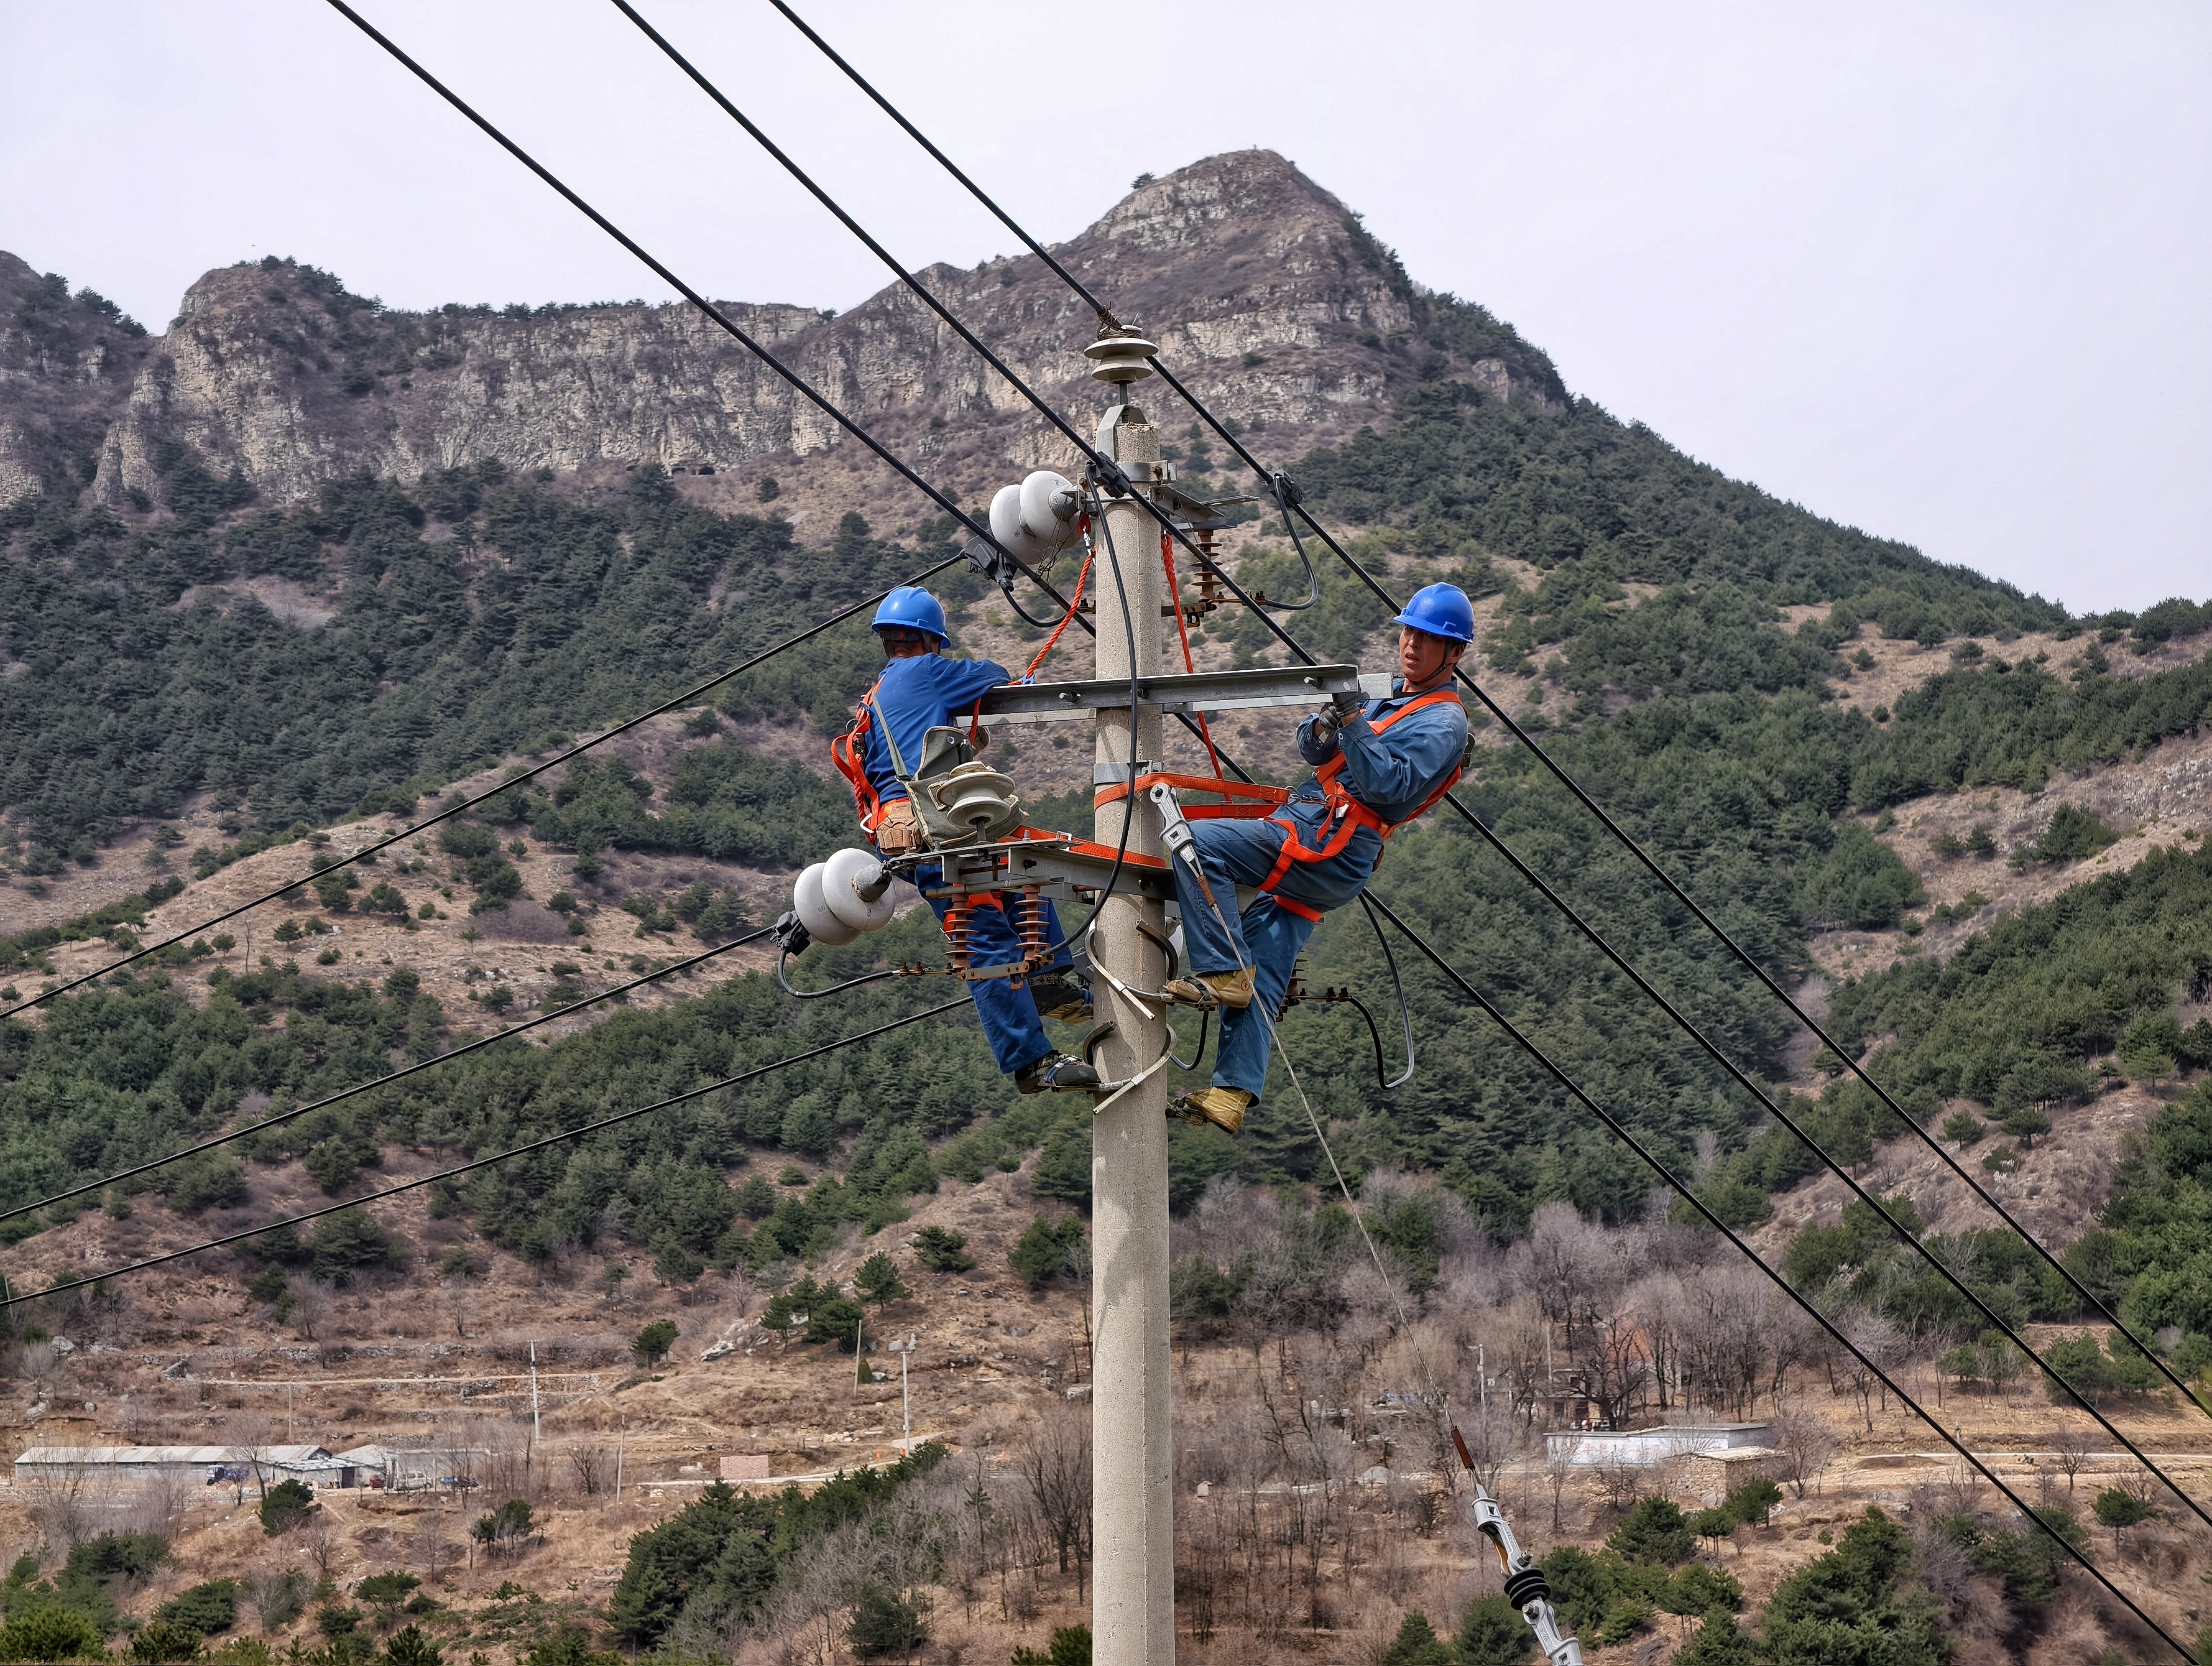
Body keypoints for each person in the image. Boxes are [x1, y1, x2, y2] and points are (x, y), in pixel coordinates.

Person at [1162, 583, 1475, 1135]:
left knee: (1198, 843)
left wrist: (1352, 721)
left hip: (1332, 841)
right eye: (1408, 633)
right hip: (1324, 840)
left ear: (1454, 653)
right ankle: (1232, 1092)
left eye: (1427, 639)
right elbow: (1313, 749)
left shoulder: (1444, 722)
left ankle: (1222, 969)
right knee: (1267, 948)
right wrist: (1330, 721)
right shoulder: (1388, 698)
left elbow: (1386, 785)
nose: (1412, 645)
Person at [831, 586, 1099, 1094]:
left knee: (1023, 871)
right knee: (987, 939)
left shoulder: (877, 695)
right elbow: (991, 674)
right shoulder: (925, 671)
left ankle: (1047, 979)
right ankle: (1030, 1061)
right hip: (937, 833)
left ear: (888, 642)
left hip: (910, 835)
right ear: (931, 641)